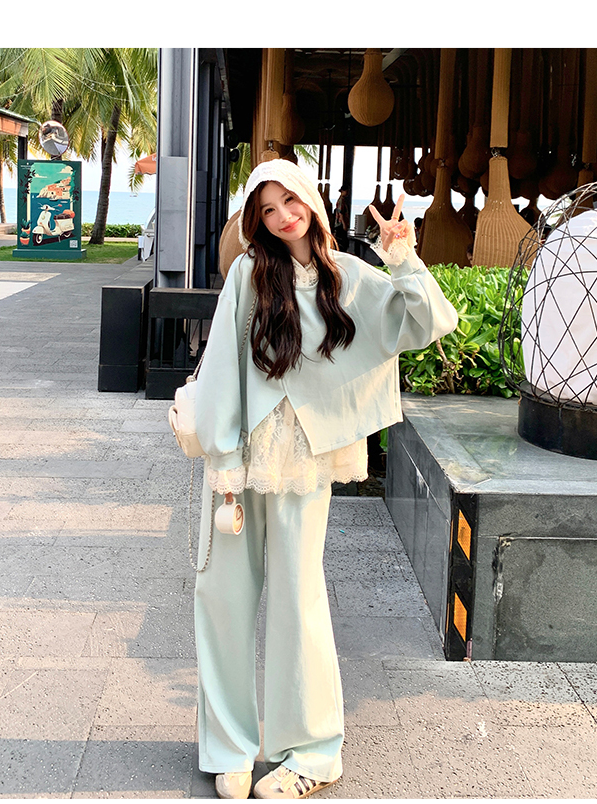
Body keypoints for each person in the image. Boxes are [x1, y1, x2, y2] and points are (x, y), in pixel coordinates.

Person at [192, 159, 458, 800]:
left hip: (304, 457)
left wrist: (403, 258)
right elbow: (222, 363)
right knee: (222, 599)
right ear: (256, 220)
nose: (284, 216)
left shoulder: (348, 276)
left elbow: (426, 323)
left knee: (298, 599)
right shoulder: (249, 273)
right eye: (268, 209)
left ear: (311, 199)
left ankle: (313, 752)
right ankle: (229, 747)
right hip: (239, 458)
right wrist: (222, 457)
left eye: (291, 201)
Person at [332, 185, 350, 252]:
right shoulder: (341, 200)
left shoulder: (341, 200)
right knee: (342, 243)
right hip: (340, 225)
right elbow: (341, 213)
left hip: (339, 224)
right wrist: (344, 224)